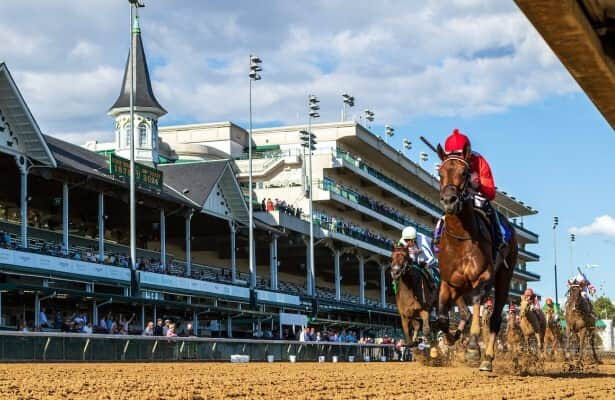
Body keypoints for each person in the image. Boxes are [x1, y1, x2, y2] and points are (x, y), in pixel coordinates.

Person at [433, 128, 510, 257]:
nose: (455, 158)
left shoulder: (479, 161)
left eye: (459, 154)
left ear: (466, 153)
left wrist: (477, 184)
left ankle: (499, 238)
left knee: (489, 210)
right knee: (444, 215)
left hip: (476, 195)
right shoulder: (449, 163)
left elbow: (491, 193)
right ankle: (436, 240)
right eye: (452, 155)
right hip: (457, 196)